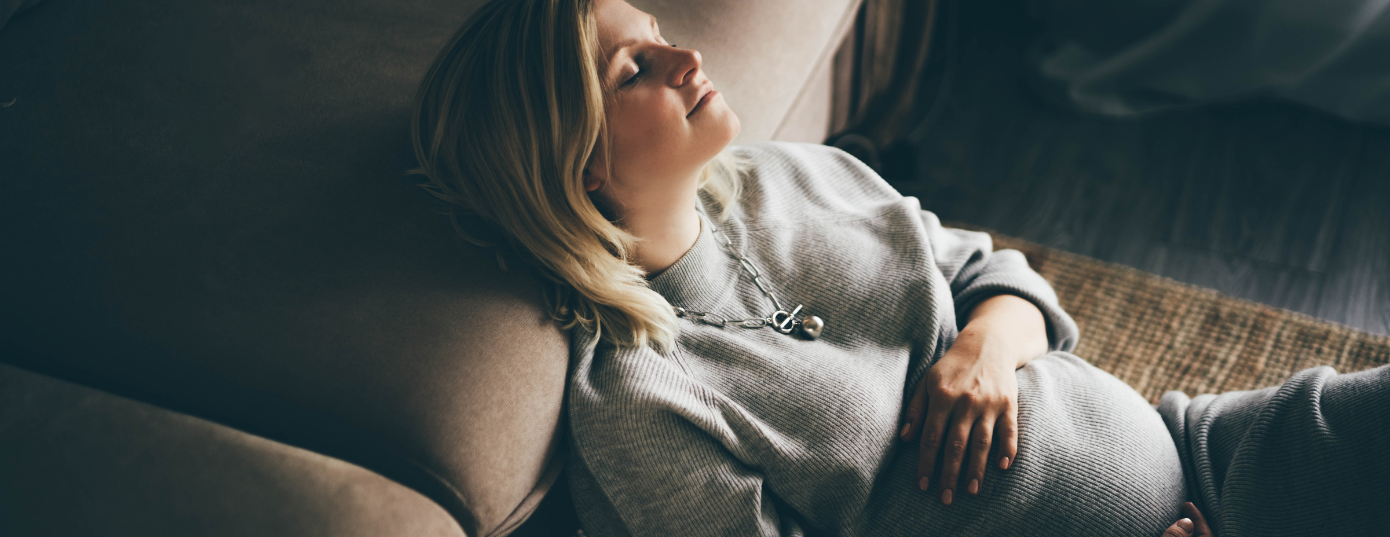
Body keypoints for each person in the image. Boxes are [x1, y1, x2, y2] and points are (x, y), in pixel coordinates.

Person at [408, 0, 1390, 535]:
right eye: (637, 70)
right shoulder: (640, 404)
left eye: (658, 37)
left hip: (1201, 449)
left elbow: (1001, 277)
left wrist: (983, 351)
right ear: (577, 161)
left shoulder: (794, 175)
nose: (686, 57)